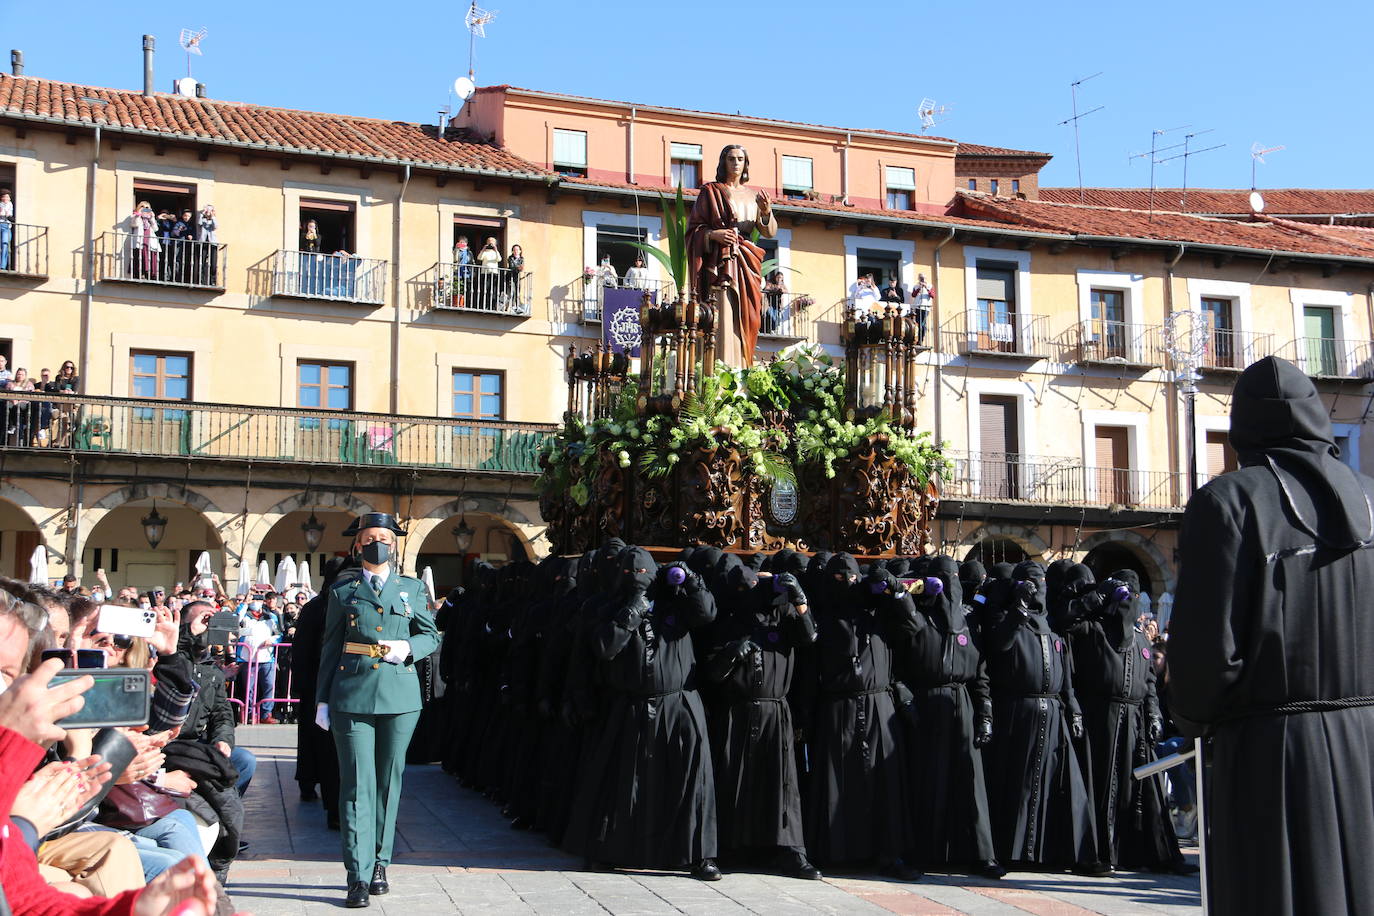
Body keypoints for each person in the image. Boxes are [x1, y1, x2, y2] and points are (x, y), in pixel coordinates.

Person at [1169, 356, 1374, 915]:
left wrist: (1194, 718)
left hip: (1271, 754)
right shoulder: (1370, 496)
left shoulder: (1227, 501)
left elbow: (1205, 655)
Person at [561, 548, 721, 880]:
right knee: (622, 783)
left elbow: (706, 614)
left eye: (645, 574)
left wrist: (691, 580)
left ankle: (699, 855)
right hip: (630, 705)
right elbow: (604, 648)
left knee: (690, 781)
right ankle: (607, 850)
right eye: (631, 575)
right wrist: (630, 612)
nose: (639, 582)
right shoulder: (606, 609)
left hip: (679, 705)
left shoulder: (675, 603)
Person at [315, 512, 439, 908]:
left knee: (389, 782)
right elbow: (330, 646)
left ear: (394, 544)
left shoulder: (411, 589)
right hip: (351, 693)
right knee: (355, 786)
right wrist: (321, 698)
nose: (376, 544)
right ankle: (357, 872)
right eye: (369, 538)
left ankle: (381, 861)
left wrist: (410, 649)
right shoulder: (343, 591)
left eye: (384, 537)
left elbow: (431, 634)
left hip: (400, 697)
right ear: (357, 545)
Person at [685, 145, 776, 368]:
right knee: (723, 314)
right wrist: (714, 234)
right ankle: (720, 369)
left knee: (748, 316)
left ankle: (743, 368)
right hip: (722, 262)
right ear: (723, 162)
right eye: (731, 158)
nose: (736, 163)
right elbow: (692, 230)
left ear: (746, 164)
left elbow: (769, 231)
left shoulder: (754, 196)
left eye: (740, 159)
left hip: (747, 260)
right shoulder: (711, 192)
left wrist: (766, 212)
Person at [127, 201, 161, 280]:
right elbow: (134, 224)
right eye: (142, 206)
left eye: (147, 207)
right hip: (140, 240)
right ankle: (140, 274)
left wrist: (152, 218)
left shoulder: (149, 218)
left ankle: (148, 274)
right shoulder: (135, 216)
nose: (145, 209)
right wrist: (138, 215)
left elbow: (156, 229)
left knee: (149, 257)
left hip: (149, 240)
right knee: (140, 256)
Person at [196, 205, 218, 286]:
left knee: (213, 263)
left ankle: (213, 280)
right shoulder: (202, 220)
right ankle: (200, 280)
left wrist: (212, 216)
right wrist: (203, 213)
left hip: (213, 243)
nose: (208, 212)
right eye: (207, 210)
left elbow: (215, 226)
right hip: (203, 243)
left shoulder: (214, 220)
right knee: (201, 262)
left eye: (210, 210)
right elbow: (199, 223)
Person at [911, 273, 934, 346]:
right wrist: (919, 288)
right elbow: (913, 295)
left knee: (922, 325)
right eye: (921, 278)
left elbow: (932, 295)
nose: (922, 279)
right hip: (918, 307)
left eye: (924, 278)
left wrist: (926, 288)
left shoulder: (930, 286)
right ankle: (916, 339)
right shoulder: (916, 286)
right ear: (918, 278)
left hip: (925, 308)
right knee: (917, 324)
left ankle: (921, 340)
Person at [763, 269, 786, 335]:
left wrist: (781, 289)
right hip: (769, 303)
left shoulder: (782, 285)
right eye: (778, 277)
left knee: (776, 317)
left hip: (778, 304)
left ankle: (773, 329)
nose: (779, 279)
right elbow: (766, 288)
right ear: (775, 277)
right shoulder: (770, 283)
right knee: (770, 314)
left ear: (782, 279)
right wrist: (774, 289)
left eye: (781, 278)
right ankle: (771, 329)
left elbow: (786, 291)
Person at [505, 243, 525, 307]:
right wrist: (518, 268)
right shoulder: (510, 258)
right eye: (514, 250)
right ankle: (512, 305)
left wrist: (518, 268)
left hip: (517, 277)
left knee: (517, 291)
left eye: (517, 250)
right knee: (512, 291)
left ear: (520, 251)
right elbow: (511, 266)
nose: (515, 251)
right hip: (510, 277)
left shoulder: (522, 258)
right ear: (512, 251)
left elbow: (521, 268)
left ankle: (517, 305)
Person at [0, 187, 13, 271]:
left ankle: (2, 265)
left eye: (8, 197)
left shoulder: (10, 205)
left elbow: (10, 216)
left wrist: (9, 216)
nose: (6, 198)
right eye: (4, 196)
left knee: (5, 244)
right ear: (1, 198)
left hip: (6, 226)